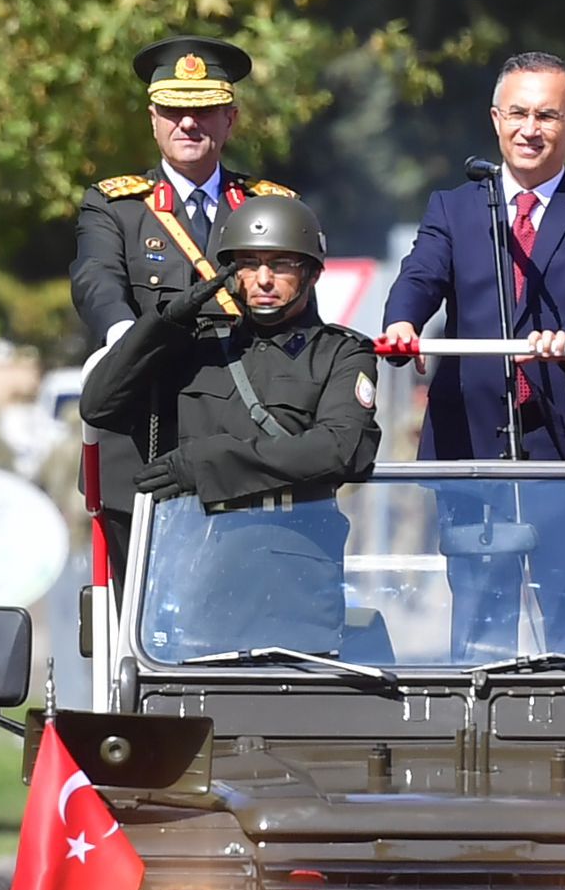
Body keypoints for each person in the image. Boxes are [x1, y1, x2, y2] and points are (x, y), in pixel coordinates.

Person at [381, 51, 565, 658]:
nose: (531, 129)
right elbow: (422, 274)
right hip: (473, 434)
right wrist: (401, 319)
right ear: (495, 119)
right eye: (518, 113)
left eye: (548, 115)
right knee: (478, 610)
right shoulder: (454, 206)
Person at [77, 193, 380, 655]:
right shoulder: (197, 346)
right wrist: (163, 324)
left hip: (291, 583)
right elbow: (98, 406)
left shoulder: (340, 353)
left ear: (311, 273)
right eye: (248, 263)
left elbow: (341, 448)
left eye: (280, 264)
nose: (262, 279)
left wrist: (206, 464)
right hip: (193, 577)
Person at [70, 33, 297, 580]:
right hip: (147, 432)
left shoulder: (271, 205)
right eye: (174, 111)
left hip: (241, 440)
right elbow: (95, 279)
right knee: (137, 616)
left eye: (204, 112)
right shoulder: (117, 206)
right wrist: (124, 336)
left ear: (230, 119)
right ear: (153, 119)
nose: (188, 125)